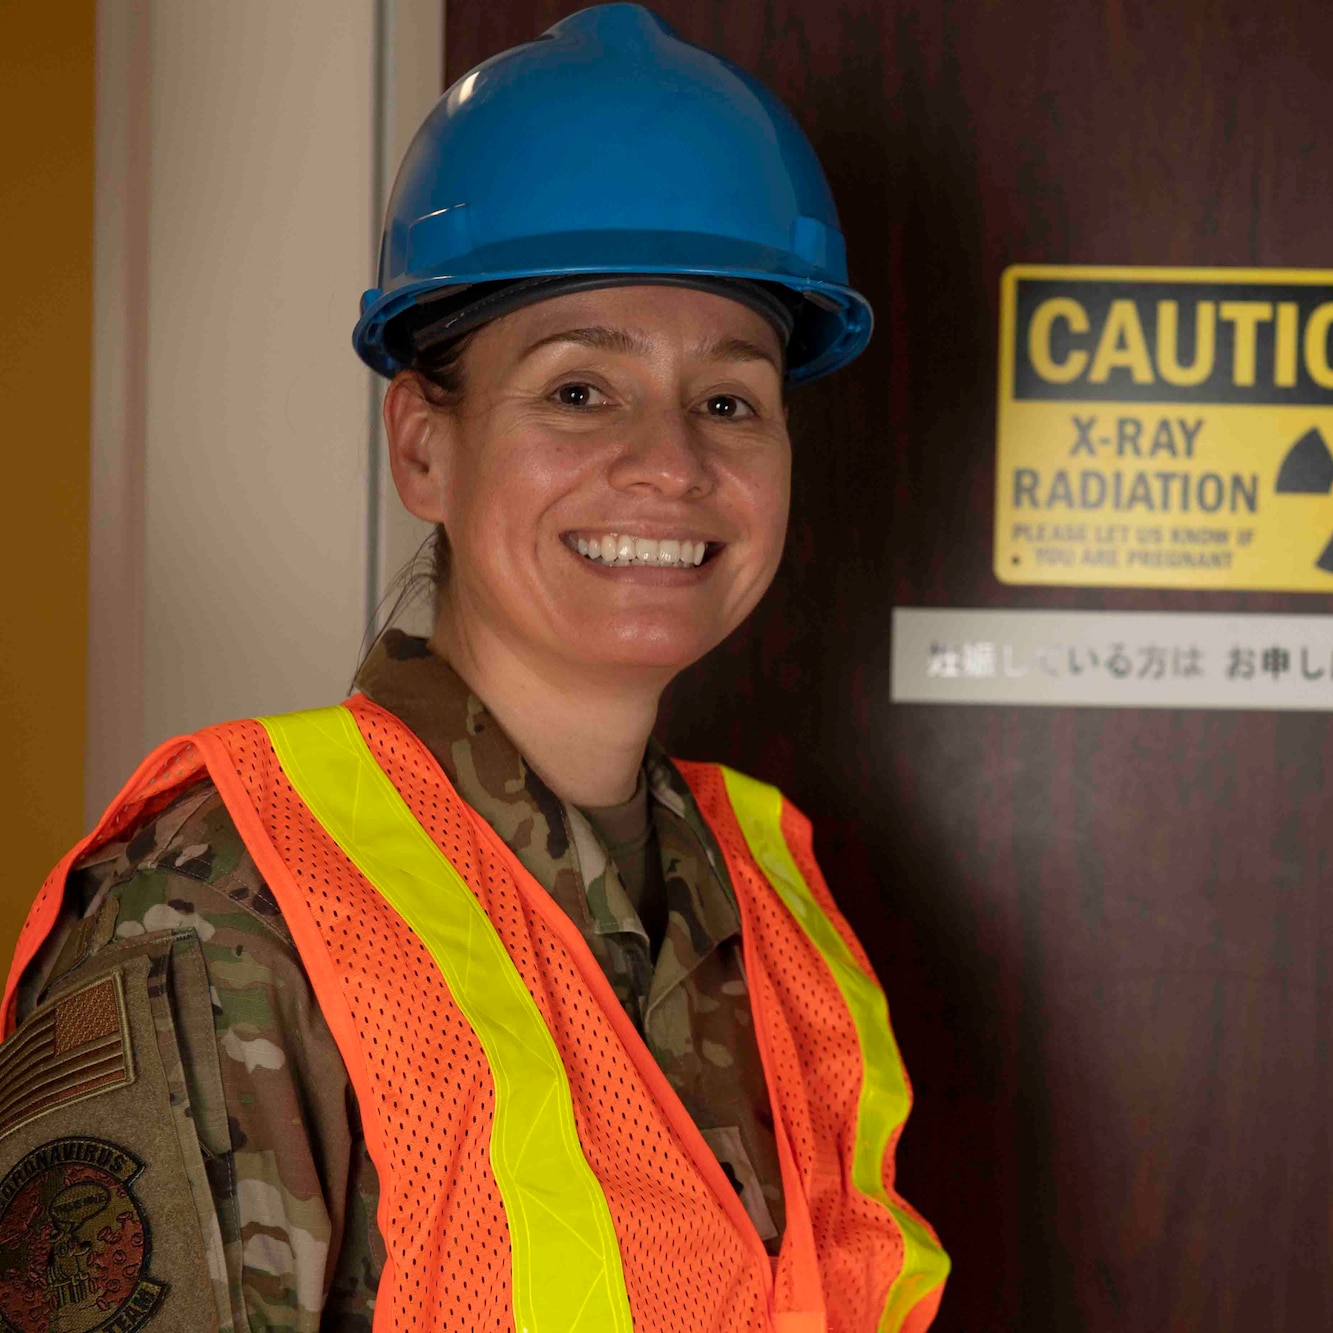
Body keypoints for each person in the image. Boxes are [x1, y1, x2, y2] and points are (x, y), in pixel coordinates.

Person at [0, 7, 946, 1330]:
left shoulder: (769, 902)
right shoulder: (227, 902)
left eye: (730, 399)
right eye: (578, 389)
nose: (672, 461)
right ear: (422, 445)